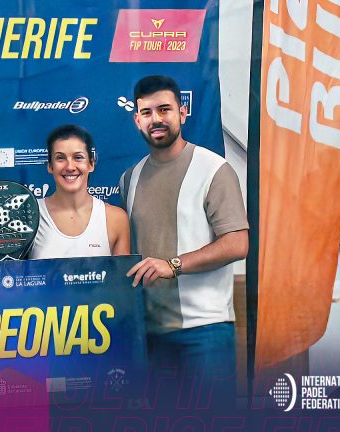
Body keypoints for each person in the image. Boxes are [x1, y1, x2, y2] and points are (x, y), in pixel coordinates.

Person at [119, 75, 249, 408]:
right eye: (146, 112)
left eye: (164, 109)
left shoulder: (214, 169)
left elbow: (237, 243)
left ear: (183, 112)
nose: (156, 119)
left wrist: (173, 265)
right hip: (151, 335)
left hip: (205, 331)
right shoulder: (129, 178)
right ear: (136, 120)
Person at [29, 125, 130, 259]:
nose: (70, 167)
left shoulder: (115, 218)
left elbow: (122, 272)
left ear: (91, 164)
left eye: (78, 157)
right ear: (50, 166)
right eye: (60, 158)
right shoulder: (29, 217)